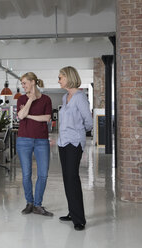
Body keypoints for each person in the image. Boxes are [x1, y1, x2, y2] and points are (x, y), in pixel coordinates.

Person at [57, 66, 93, 231]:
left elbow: (89, 122)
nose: (59, 80)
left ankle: (79, 219)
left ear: (69, 77)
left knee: (72, 177)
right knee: (67, 178)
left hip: (74, 143)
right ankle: (72, 212)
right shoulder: (65, 97)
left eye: (60, 77)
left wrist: (78, 133)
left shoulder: (80, 97)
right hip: (62, 143)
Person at [16, 72, 53, 216]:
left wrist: (28, 115)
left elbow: (47, 118)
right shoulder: (21, 99)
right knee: (26, 174)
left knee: (43, 174)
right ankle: (29, 203)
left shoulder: (46, 99)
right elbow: (20, 116)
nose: (23, 86)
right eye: (22, 84)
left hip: (41, 140)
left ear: (33, 82)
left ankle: (38, 205)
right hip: (23, 140)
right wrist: (30, 100)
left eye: (25, 83)